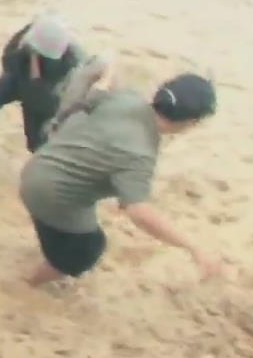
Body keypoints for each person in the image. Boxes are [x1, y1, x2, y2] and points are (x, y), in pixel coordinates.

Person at [19, 73, 221, 286]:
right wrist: (193, 248)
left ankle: (52, 247)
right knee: (85, 251)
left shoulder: (127, 98)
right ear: (191, 122)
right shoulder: (140, 154)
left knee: (63, 234)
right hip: (49, 195)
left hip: (37, 166)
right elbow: (139, 213)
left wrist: (106, 71)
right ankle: (31, 283)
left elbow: (96, 93)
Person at [0, 15, 110, 154]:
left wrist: (35, 66)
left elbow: (52, 93)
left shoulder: (71, 60)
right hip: (17, 78)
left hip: (42, 99)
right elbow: (8, 61)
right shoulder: (28, 37)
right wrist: (28, 56)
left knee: (36, 143)